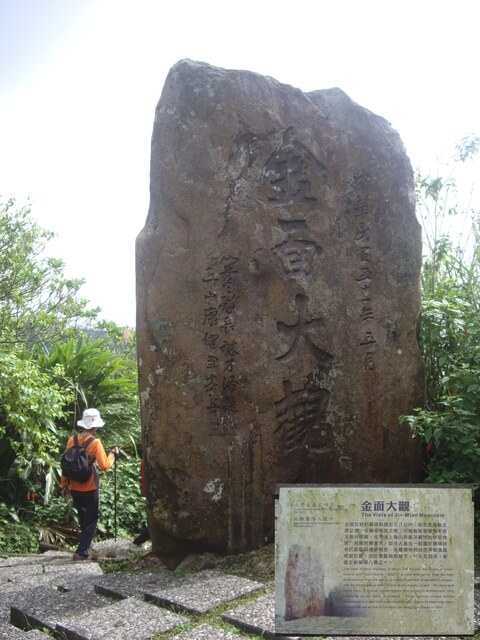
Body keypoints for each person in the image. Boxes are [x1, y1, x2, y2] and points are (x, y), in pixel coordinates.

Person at [61, 407, 119, 561]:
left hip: (74, 486)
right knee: (92, 519)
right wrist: (112, 454)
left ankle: (85, 545)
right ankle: (82, 552)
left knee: (83, 517)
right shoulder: (95, 443)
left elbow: (67, 465)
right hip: (89, 486)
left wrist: (64, 485)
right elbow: (105, 466)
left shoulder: (71, 440)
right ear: (95, 426)